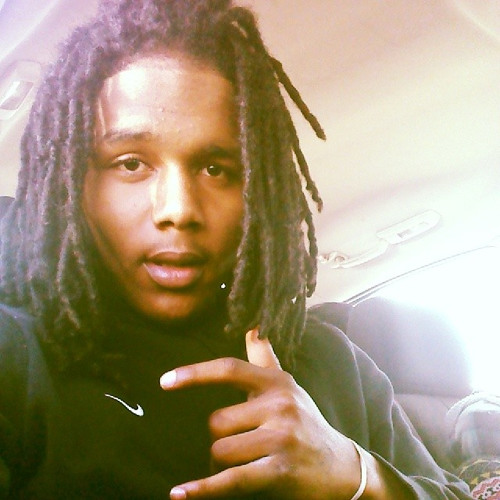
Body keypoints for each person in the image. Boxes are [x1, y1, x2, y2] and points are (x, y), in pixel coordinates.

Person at [0, 0, 473, 498]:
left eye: (216, 169)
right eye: (131, 163)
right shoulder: (16, 352)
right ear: (75, 184)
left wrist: (356, 474)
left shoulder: (333, 363)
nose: (179, 209)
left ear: (257, 193)